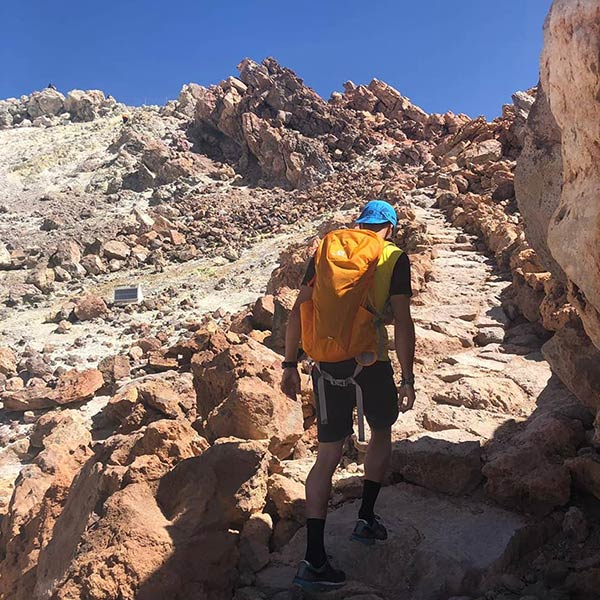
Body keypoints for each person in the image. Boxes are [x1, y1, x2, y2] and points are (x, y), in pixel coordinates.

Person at [280, 199, 416, 592]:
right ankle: (366, 518)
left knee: (326, 457)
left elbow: (297, 311)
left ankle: (313, 560)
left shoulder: (327, 250)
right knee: (381, 433)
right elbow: (403, 321)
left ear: (360, 224)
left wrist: (290, 364)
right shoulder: (392, 257)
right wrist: (407, 378)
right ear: (389, 227)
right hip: (370, 364)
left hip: (325, 366)